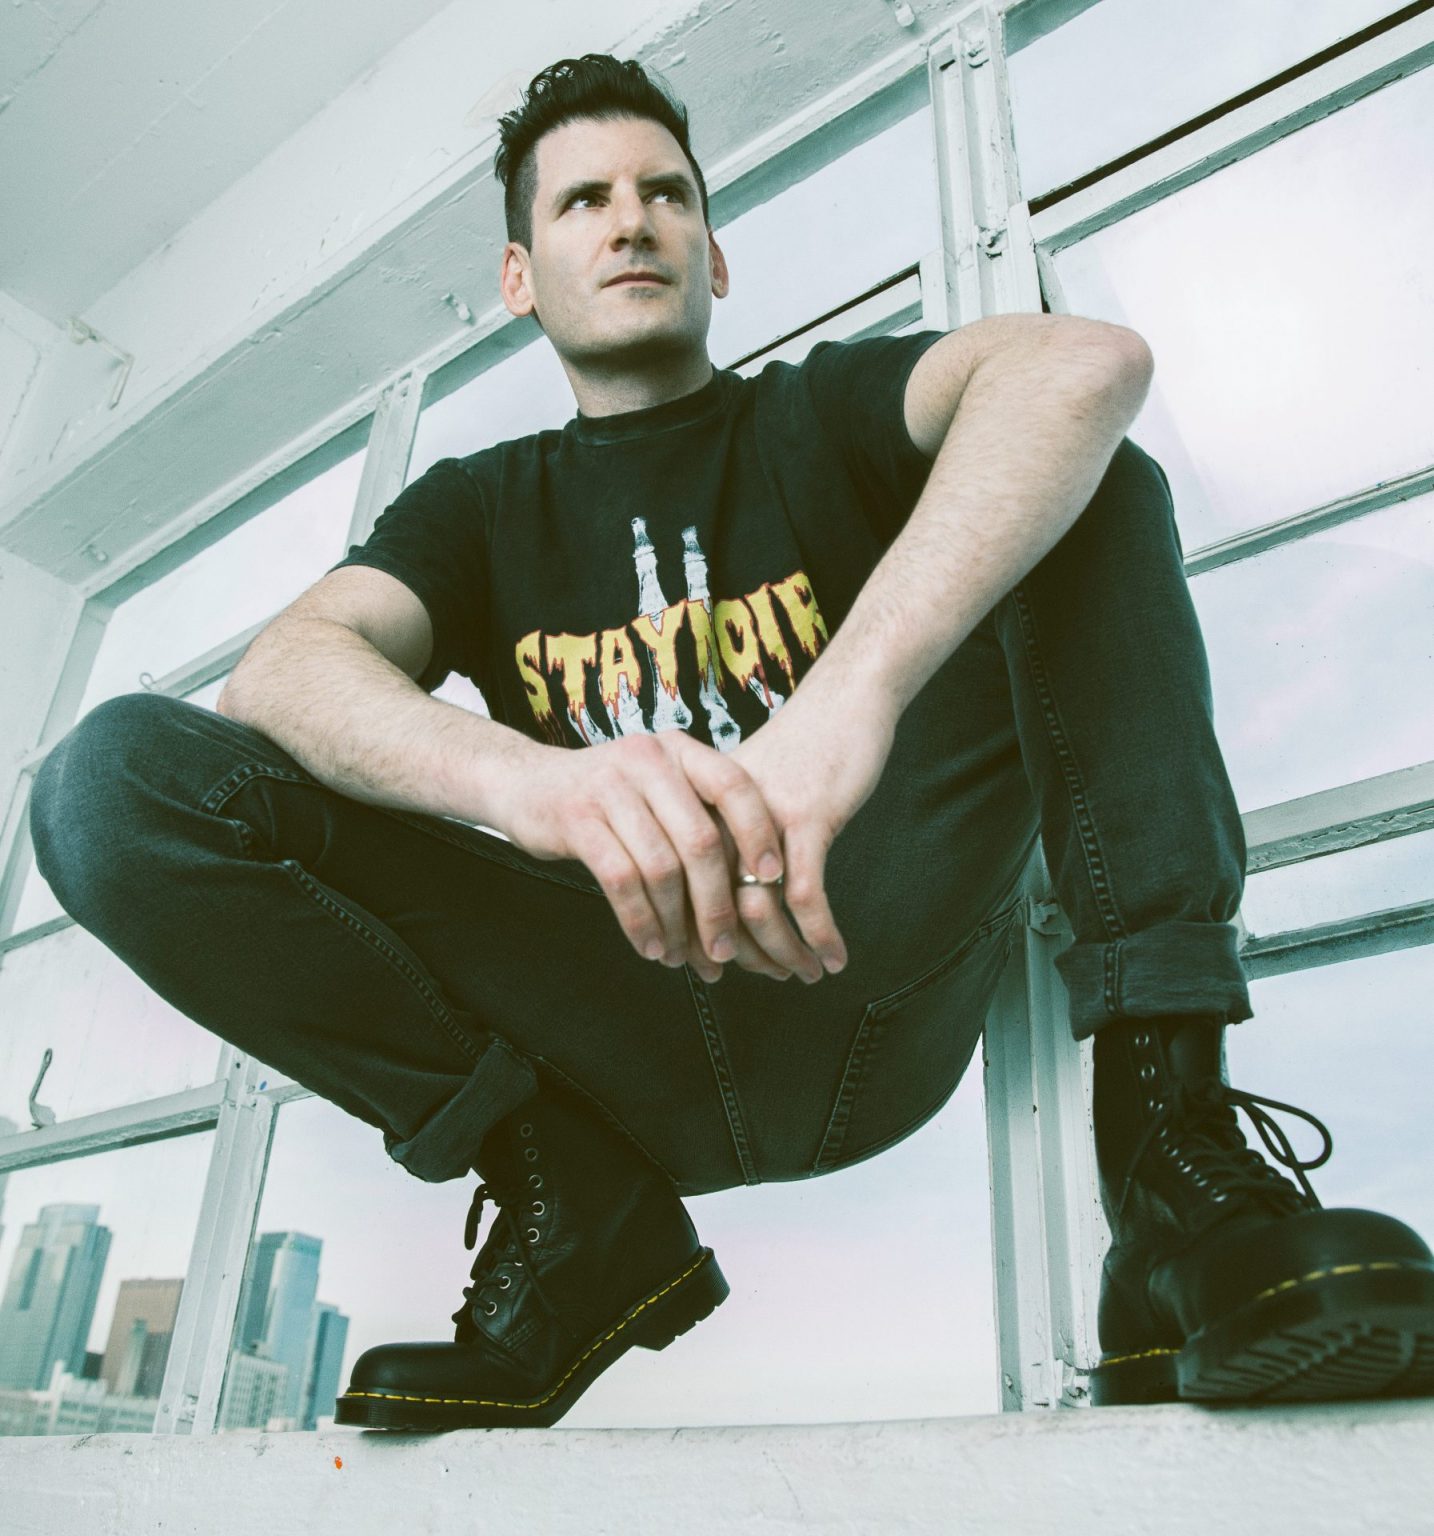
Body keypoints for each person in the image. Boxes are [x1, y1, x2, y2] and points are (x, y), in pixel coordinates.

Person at [27, 53, 1433, 1432]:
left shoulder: (814, 415)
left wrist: (843, 703)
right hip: (607, 1020)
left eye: (667, 195)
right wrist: (538, 786)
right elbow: (283, 673)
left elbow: (1083, 363)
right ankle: (568, 1207)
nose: (631, 221)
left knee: (1075, 472)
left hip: (861, 953)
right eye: (582, 201)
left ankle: (1167, 1158)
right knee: (110, 783)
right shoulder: (476, 507)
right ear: (519, 275)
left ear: (714, 253)